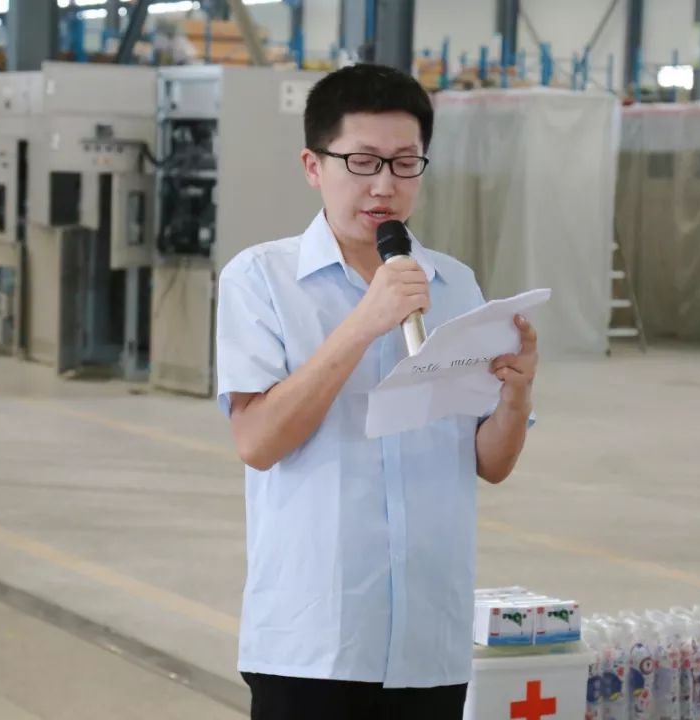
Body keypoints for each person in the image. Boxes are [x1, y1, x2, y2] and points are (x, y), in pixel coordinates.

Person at [215, 63, 539, 720]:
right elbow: (257, 441)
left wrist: (516, 396)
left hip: (429, 639)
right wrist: (365, 321)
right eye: (362, 162)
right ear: (314, 165)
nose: (384, 185)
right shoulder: (261, 278)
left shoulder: (454, 284)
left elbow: (490, 463)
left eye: (405, 163)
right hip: (315, 638)